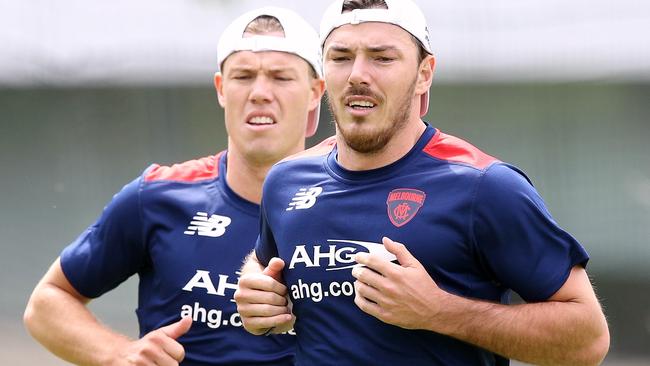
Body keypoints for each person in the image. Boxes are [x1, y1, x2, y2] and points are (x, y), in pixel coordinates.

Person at [234, 0, 610, 365]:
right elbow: (266, 269)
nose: (357, 75)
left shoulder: (484, 186)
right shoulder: (286, 182)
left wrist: (439, 312)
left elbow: (588, 340)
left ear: (424, 73)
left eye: (383, 58)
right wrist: (254, 290)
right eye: (341, 57)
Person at [23, 6, 325, 366]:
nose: (260, 92)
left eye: (280, 77)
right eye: (243, 76)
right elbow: (47, 302)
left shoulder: (349, 202)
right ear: (221, 89)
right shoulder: (158, 196)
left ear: (315, 92)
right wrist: (119, 352)